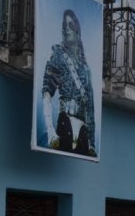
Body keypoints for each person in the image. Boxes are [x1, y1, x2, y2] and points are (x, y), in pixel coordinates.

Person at [41, 9, 97, 156]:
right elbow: (47, 92)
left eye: (70, 25)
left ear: (77, 30)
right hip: (65, 122)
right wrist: (50, 130)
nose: (66, 29)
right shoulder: (58, 53)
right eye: (64, 25)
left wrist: (92, 143)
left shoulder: (86, 67)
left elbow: (90, 108)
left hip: (83, 129)